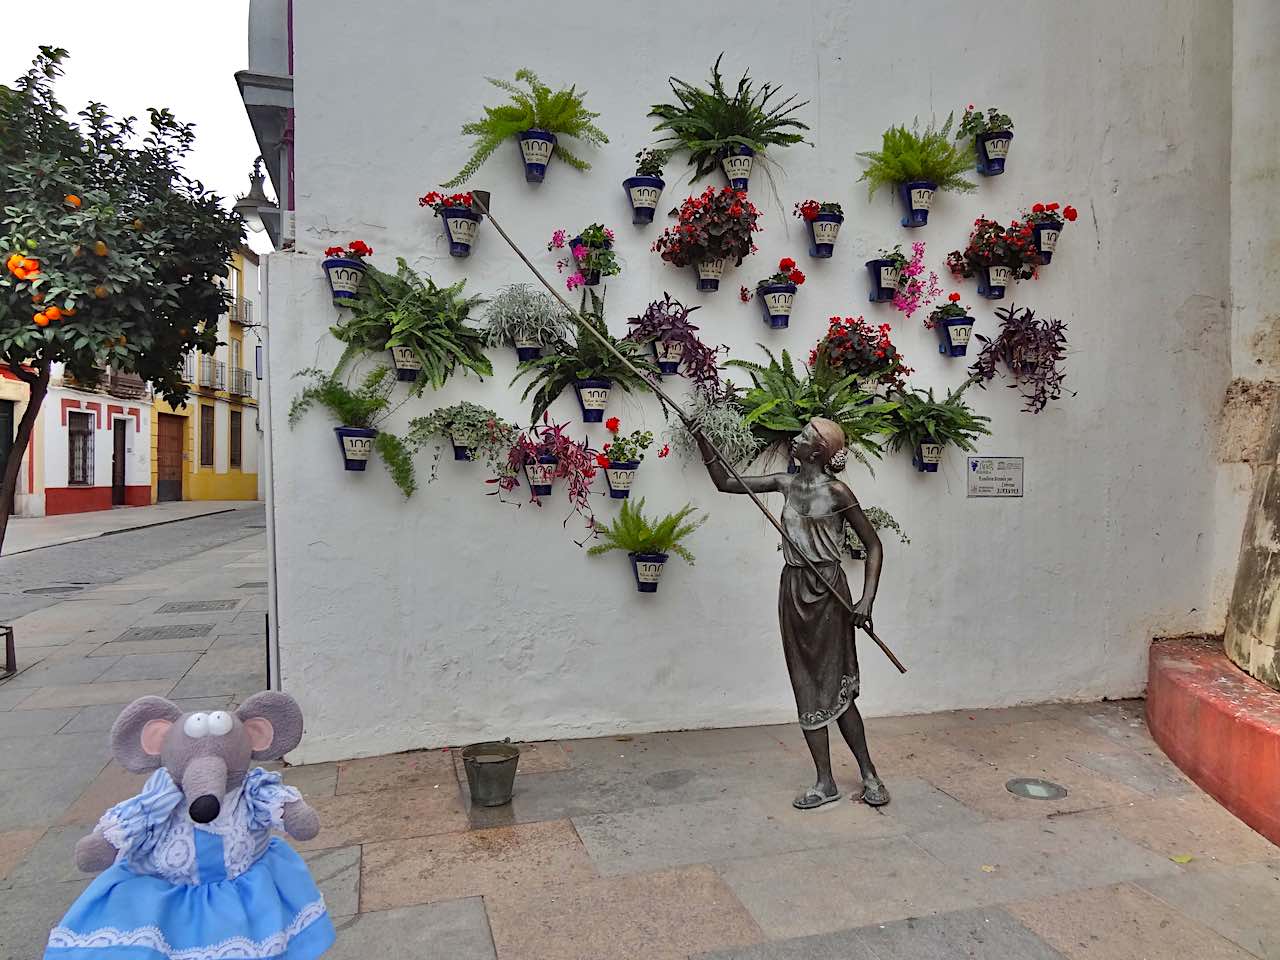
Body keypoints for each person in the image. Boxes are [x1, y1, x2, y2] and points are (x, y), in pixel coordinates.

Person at [694, 416, 889, 808]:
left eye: (803, 436)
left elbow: (874, 546)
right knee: (806, 686)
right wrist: (701, 437)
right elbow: (724, 482)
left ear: (818, 451)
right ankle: (824, 781)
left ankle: (869, 773)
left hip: (830, 593)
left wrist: (866, 600)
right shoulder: (784, 483)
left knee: (837, 689)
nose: (794, 439)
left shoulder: (837, 492)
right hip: (794, 591)